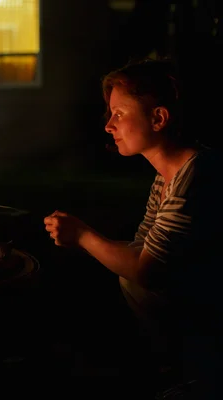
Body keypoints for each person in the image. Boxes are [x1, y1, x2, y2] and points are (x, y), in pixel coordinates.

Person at [43, 58, 222, 394]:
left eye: (119, 114)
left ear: (158, 118)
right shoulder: (166, 177)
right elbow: (140, 247)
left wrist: (82, 236)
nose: (109, 125)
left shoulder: (197, 177)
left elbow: (147, 271)